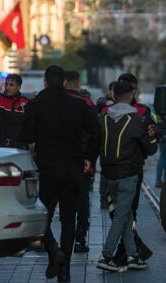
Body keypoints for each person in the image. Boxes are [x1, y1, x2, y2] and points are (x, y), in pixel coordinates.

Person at [22, 65, 100, 282]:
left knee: (42, 215)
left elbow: (27, 135)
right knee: (68, 218)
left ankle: (53, 249)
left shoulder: (36, 104)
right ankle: (64, 271)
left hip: (46, 168)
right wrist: (89, 157)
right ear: (64, 82)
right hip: (72, 167)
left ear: (45, 82)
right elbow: (97, 131)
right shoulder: (78, 104)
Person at [96, 81, 158, 273]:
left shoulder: (102, 119)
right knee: (122, 215)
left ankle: (132, 255)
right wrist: (152, 135)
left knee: (125, 213)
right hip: (128, 174)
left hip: (108, 174)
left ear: (113, 95)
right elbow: (151, 148)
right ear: (131, 96)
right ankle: (107, 255)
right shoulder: (138, 120)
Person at [64, 70, 98, 255]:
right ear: (78, 84)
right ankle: (79, 239)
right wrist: (90, 158)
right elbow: (95, 133)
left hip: (56, 161)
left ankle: (48, 240)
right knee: (81, 201)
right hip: (80, 161)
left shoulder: (51, 102)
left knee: (56, 201)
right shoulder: (86, 104)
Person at [0, 74, 28, 148]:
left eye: (11, 85)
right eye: (6, 84)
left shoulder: (25, 103)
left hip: (18, 145)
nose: (7, 87)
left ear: (19, 87)